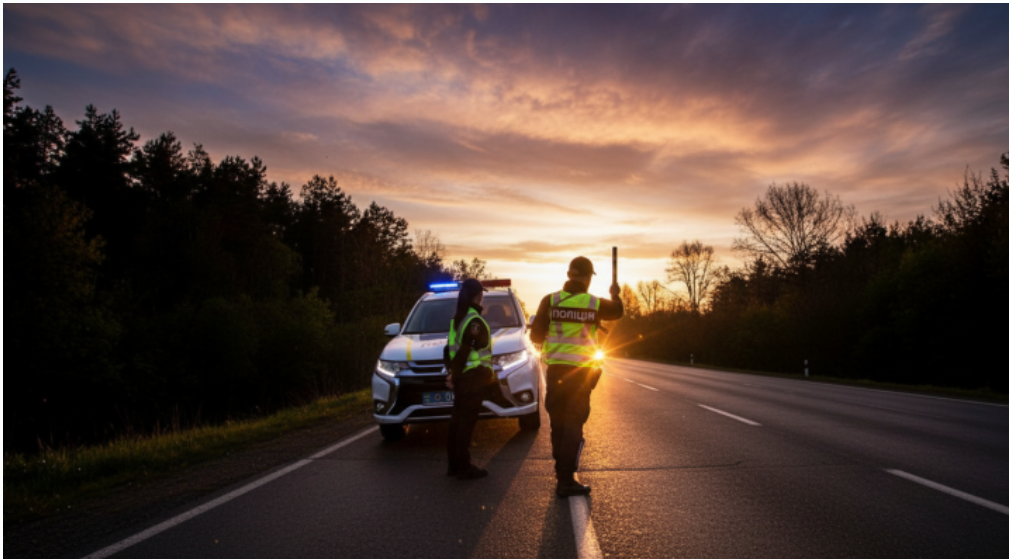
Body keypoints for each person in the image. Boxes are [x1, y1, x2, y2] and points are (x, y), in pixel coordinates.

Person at [530, 256, 623, 497]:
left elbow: (536, 337)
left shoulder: (549, 301)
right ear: (587, 277)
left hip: (556, 372)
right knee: (573, 423)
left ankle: (561, 473)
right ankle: (566, 479)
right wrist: (614, 293)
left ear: (569, 274)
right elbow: (618, 312)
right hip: (580, 375)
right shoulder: (593, 303)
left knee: (558, 423)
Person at [444, 278, 496, 480]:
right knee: (465, 424)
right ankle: (463, 466)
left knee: (456, 422)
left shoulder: (457, 318)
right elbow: (465, 350)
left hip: (463, 379)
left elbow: (448, 350)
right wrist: (454, 374)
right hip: (473, 378)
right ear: (480, 295)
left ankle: (454, 465)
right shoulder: (475, 321)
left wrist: (451, 373)